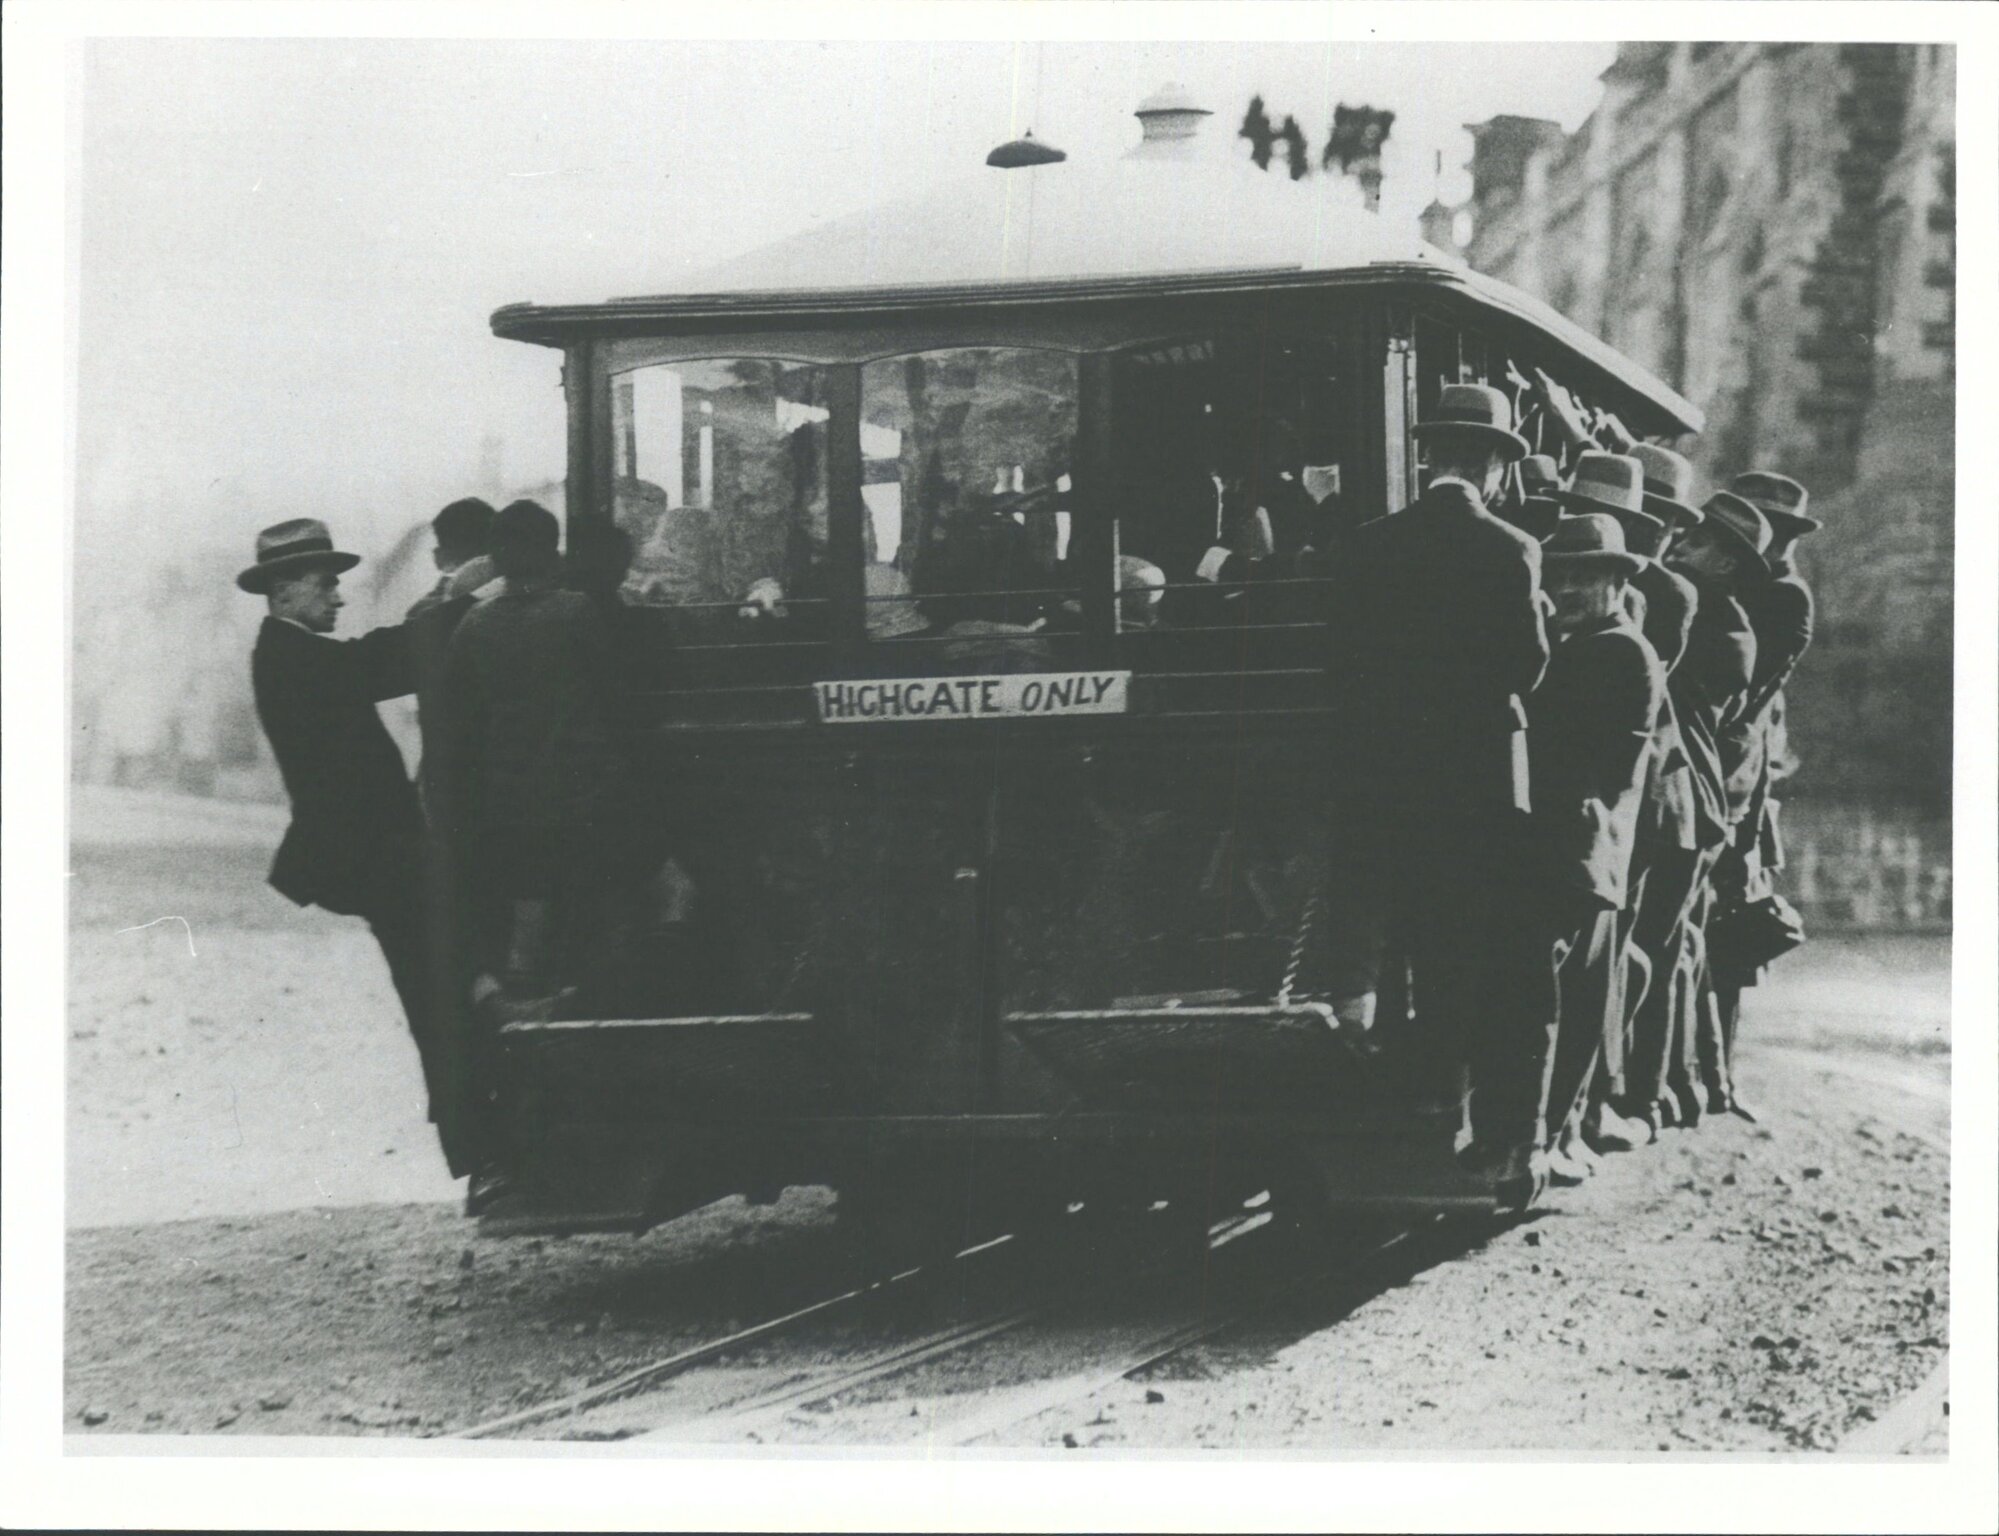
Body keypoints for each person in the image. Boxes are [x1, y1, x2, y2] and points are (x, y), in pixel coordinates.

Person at [1330, 382, 1550, 1203]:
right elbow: (1525, 665)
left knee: (1390, 941)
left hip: (1383, 776)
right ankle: (1442, 1113)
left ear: (1426, 458)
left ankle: (1387, 1097)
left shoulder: (1365, 545)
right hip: (1475, 787)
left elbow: (1343, 667)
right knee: (1459, 951)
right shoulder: (1510, 549)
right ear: (1493, 465)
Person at [238, 518, 498, 1200]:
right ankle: (483, 1150)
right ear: (288, 589)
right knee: (440, 993)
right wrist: (464, 602)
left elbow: (371, 658)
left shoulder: (290, 651)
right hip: (380, 863)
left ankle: (484, 1147)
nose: (338, 597)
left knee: (442, 985)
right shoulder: (293, 656)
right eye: (327, 585)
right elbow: (381, 662)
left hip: (380, 859)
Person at [439, 501, 641, 1010]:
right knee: (597, 922)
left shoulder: (473, 626)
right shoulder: (577, 614)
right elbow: (617, 703)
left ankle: (525, 998)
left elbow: (457, 726)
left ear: (497, 558)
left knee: (527, 927)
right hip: (584, 799)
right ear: (553, 554)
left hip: (509, 806)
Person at [1524, 511, 1666, 1186]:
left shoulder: (1613, 650)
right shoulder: (1584, 642)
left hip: (1575, 845)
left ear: (1615, 582)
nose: (1570, 588)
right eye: (1561, 576)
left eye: (1586, 576)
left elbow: (1604, 766)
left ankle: (1545, 1137)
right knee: (1577, 994)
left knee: (1565, 1001)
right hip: (1580, 846)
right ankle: (1553, 1136)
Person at [1665, 490, 1775, 1115]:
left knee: (1673, 949)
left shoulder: (1715, 625)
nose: (1679, 546)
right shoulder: (1718, 616)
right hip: (1696, 808)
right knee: (1679, 949)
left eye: (1697, 542)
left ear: (1728, 564)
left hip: (1690, 808)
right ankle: (1696, 1084)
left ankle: (1679, 1088)